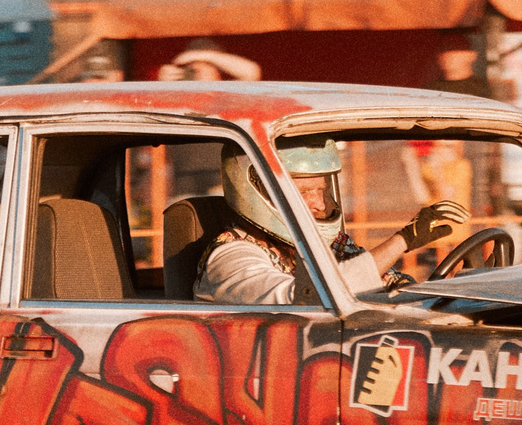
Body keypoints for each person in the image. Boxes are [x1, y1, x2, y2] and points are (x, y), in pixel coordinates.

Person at [196, 138, 467, 304]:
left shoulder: (327, 246)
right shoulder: (231, 256)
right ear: (260, 192)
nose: (320, 204)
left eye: (323, 190)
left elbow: (388, 283)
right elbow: (306, 298)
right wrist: (402, 241)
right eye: (304, 193)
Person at [157, 38, 261, 82]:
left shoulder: (226, 93)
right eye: (191, 66)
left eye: (207, 64)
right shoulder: (180, 93)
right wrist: (163, 85)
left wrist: (203, 55)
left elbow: (252, 72)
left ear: (218, 71)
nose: (197, 68)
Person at [424, 41, 494, 100]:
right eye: (444, 53)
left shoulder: (483, 89)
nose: (447, 57)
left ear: (471, 56)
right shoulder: (431, 90)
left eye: (454, 53)